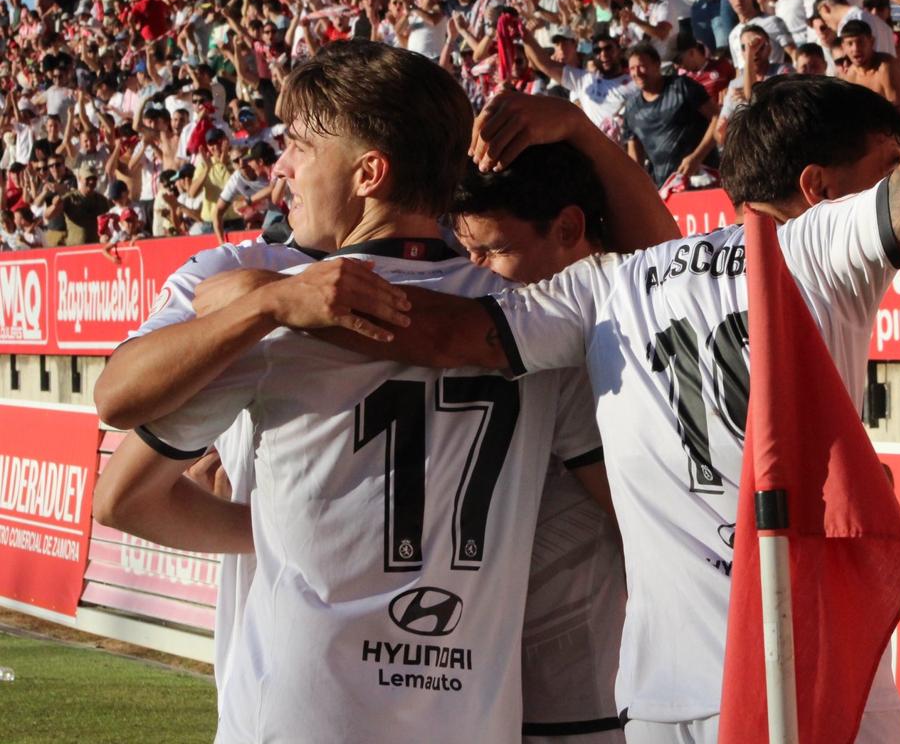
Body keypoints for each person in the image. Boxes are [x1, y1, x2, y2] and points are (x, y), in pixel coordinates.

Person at [374, 0, 900, 744]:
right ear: (817, 189)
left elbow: (450, 335)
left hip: (664, 703)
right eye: (885, 165)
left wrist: (287, 301)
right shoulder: (814, 247)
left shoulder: (613, 285)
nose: (898, 177)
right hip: (804, 687)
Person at [91, 41, 608, 744]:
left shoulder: (269, 300)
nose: (281, 168)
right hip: (470, 718)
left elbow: (121, 466)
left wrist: (259, 307)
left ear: (369, 172)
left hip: (301, 715)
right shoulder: (539, 315)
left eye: (299, 148)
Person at [449, 139, 626, 744]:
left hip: (589, 685)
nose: (475, 273)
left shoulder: (599, 334)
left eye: (494, 250)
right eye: (465, 250)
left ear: (570, 226)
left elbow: (639, 514)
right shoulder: (538, 320)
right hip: (499, 680)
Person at [623, 43, 719, 185]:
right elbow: (635, 155)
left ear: (657, 65)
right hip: (666, 189)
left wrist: (697, 157)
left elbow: (718, 118)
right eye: (632, 68)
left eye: (641, 66)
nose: (636, 73)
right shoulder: (631, 107)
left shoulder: (682, 86)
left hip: (703, 180)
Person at [839, 19, 900, 120]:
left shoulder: (886, 66)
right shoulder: (849, 77)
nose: (856, 48)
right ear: (843, 47)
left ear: (872, 42)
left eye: (861, 42)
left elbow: (896, 113)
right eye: (850, 44)